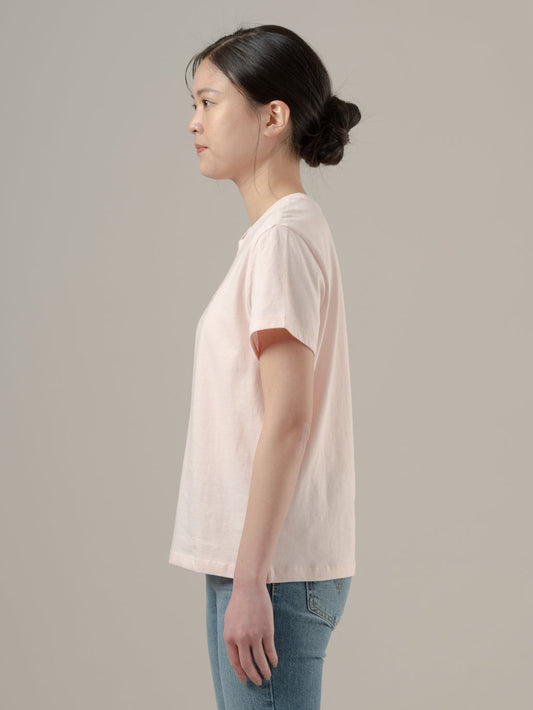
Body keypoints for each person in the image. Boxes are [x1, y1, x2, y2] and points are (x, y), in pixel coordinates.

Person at [168, 23, 362, 710]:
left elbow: (288, 418)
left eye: (209, 102)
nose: (193, 122)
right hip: (256, 565)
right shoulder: (273, 237)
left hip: (270, 572)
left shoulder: (282, 237)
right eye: (193, 105)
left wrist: (251, 581)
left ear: (272, 117)